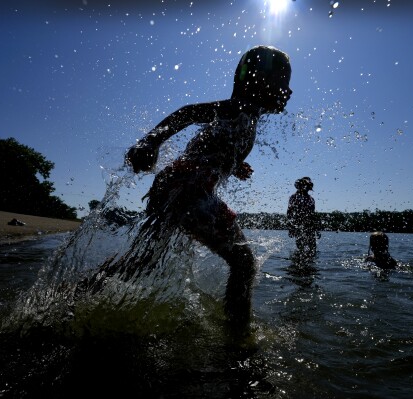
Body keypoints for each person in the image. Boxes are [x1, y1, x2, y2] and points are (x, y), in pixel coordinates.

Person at [81, 45, 292, 329]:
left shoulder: (247, 115)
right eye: (283, 82)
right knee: (243, 264)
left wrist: (233, 165)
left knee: (144, 260)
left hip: (175, 186)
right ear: (258, 80)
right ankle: (238, 337)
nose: (287, 91)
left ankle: (80, 292)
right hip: (188, 188)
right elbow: (188, 112)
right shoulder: (239, 108)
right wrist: (150, 141)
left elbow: (209, 147)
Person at [286, 177, 320, 255]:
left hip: (310, 227)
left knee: (312, 250)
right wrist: (291, 227)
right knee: (300, 249)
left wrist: (317, 229)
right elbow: (289, 212)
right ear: (299, 186)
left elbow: (312, 215)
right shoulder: (294, 197)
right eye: (305, 186)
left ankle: (309, 264)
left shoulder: (311, 199)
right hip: (298, 226)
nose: (306, 189)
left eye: (308, 187)